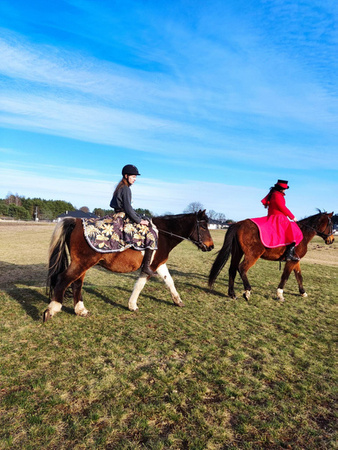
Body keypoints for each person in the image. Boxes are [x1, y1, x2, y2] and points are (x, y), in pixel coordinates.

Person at [110, 164, 157, 276]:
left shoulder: (120, 187)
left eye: (136, 177)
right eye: (133, 176)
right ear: (126, 176)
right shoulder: (125, 189)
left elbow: (122, 206)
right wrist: (140, 221)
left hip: (118, 215)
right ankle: (146, 267)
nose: (135, 179)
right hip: (123, 217)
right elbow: (128, 209)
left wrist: (139, 216)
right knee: (151, 235)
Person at [260, 179, 303, 261]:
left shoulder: (274, 194)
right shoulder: (277, 195)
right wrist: (292, 217)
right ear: (280, 188)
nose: (284, 190)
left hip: (275, 216)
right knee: (294, 230)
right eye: (284, 189)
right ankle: (289, 254)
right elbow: (282, 207)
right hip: (278, 217)